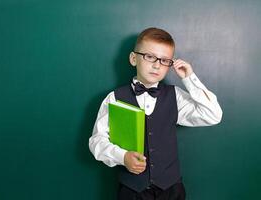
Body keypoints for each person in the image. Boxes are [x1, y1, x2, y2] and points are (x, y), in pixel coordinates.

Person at [89, 27, 223, 200]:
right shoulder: (114, 98)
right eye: (150, 56)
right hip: (132, 191)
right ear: (133, 58)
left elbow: (213, 114)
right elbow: (96, 141)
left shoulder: (175, 96)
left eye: (165, 60)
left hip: (172, 190)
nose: (157, 65)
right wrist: (123, 157)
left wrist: (189, 78)